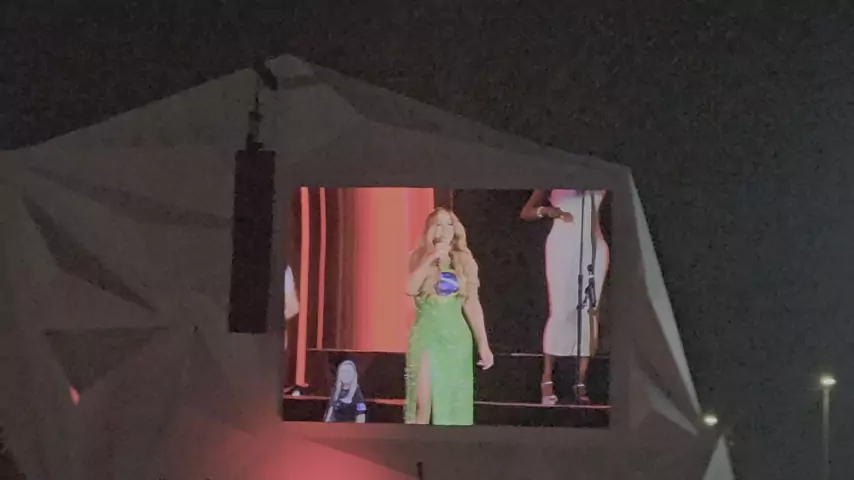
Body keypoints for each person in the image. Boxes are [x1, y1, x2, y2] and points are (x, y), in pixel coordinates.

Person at [404, 207, 494, 426]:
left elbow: (472, 303)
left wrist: (483, 344)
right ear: (430, 230)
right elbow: (410, 288)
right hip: (426, 335)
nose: (444, 230)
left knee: (453, 406)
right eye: (438, 224)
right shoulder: (418, 256)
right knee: (422, 403)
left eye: (449, 224)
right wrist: (432, 258)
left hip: (456, 338)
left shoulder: (465, 260)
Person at [520, 189, 609, 405]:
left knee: (589, 312)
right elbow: (526, 212)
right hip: (563, 244)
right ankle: (547, 379)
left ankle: (580, 381)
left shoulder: (599, 177)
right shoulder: (554, 177)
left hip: (594, 246)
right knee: (561, 311)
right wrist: (548, 211)